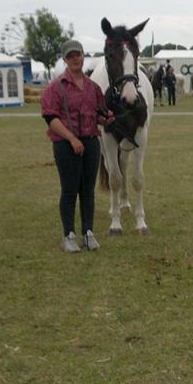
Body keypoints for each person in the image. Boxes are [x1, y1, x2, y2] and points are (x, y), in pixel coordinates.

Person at [40, 40, 113, 253]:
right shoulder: (56, 87)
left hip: (90, 143)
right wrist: (72, 139)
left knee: (87, 190)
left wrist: (106, 120)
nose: (75, 59)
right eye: (70, 56)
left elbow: (98, 114)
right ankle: (69, 235)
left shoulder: (93, 87)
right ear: (64, 59)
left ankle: (88, 233)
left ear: (83, 56)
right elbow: (51, 117)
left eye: (78, 55)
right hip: (65, 145)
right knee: (70, 189)